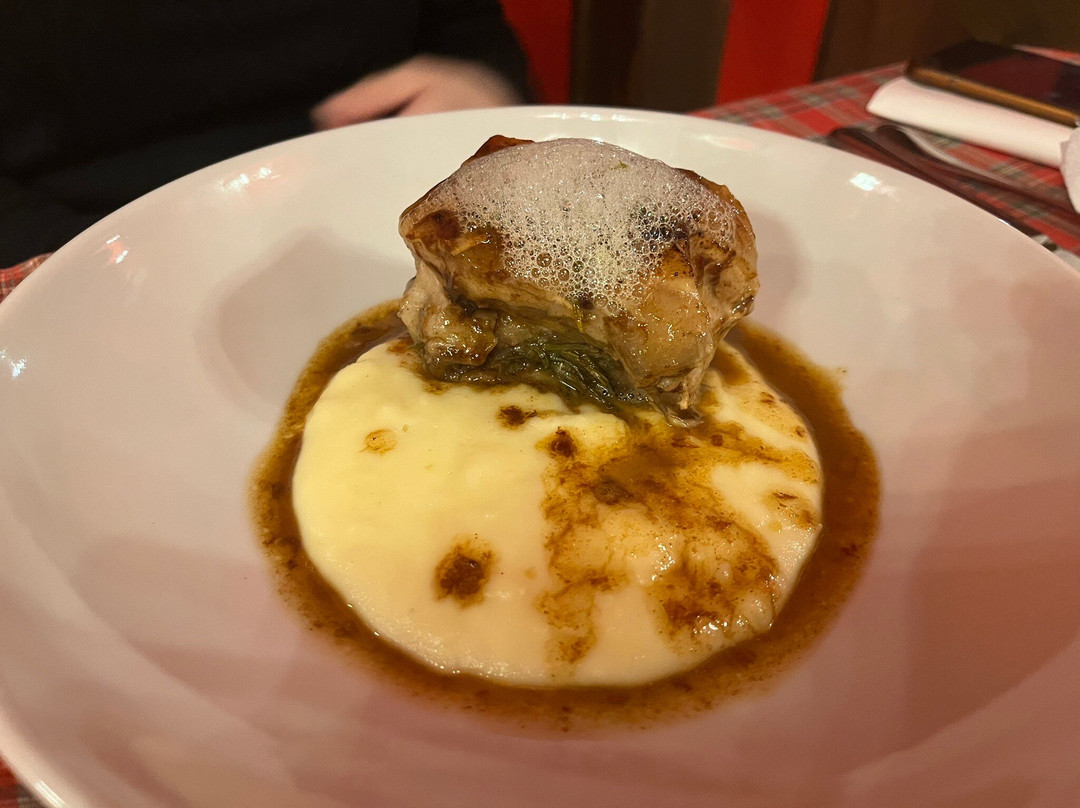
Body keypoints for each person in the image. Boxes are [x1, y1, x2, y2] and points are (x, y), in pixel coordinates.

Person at [0, 0, 531, 267]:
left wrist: (481, 91)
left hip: (380, 210)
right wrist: (99, 262)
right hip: (82, 242)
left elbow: (467, 31)